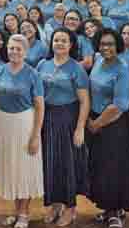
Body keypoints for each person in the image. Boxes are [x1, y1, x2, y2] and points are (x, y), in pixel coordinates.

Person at [36, 29, 89, 227]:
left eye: (63, 41)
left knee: (68, 164)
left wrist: (80, 127)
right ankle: (55, 204)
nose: (59, 43)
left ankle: (70, 208)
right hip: (46, 118)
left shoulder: (77, 68)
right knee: (50, 163)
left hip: (68, 118)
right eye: (56, 40)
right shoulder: (43, 64)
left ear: (71, 44)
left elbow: (85, 101)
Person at [0, 34, 45, 228]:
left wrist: (36, 135)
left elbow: (40, 106)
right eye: (11, 48)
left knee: (25, 169)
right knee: (11, 169)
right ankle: (16, 210)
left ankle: (24, 213)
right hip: (4, 122)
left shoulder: (32, 74)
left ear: (25, 51)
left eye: (18, 49)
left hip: (25, 123)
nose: (14, 51)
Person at [87, 30, 129, 228]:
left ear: (118, 46)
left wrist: (96, 124)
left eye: (110, 44)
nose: (106, 48)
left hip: (114, 125)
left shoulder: (122, 68)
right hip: (97, 121)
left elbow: (119, 105)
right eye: (102, 44)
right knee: (100, 168)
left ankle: (115, 211)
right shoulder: (98, 60)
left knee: (114, 169)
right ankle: (107, 207)